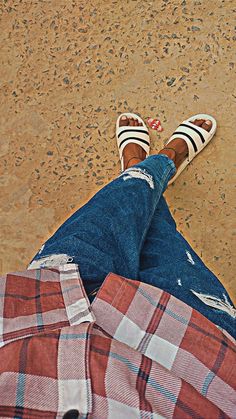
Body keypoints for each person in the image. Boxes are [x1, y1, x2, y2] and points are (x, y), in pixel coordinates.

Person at [0, 112, 235, 418]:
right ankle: (155, 167)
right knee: (159, 238)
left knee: (112, 222)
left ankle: (144, 172)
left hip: (46, 316)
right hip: (199, 360)